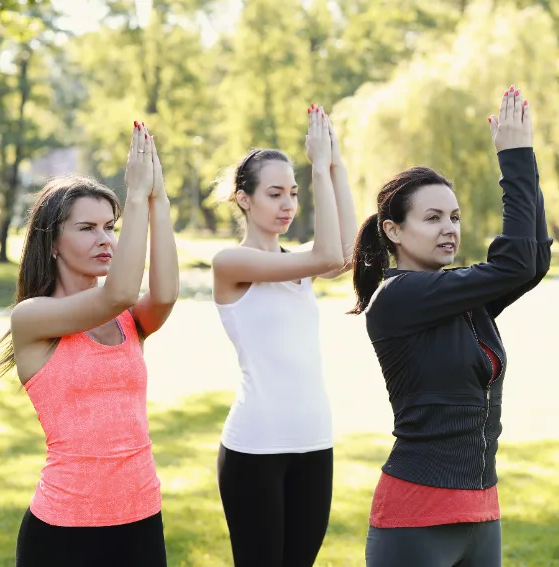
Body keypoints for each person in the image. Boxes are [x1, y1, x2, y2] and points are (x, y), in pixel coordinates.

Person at [350, 85, 552, 567]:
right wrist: (514, 162)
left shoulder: (461, 298)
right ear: (394, 230)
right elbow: (513, 266)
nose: (450, 228)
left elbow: (534, 258)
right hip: (417, 516)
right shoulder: (399, 296)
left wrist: (526, 160)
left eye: (455, 217)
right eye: (434, 217)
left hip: (481, 511)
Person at [0, 122, 180, 567]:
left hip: (141, 518)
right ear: (53, 242)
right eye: (87, 228)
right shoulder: (33, 318)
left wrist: (157, 199)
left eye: (110, 227)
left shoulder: (127, 318)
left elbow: (167, 293)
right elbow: (114, 292)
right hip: (64, 532)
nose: (105, 239)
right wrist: (133, 196)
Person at [211, 104, 357, 567]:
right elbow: (329, 253)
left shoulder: (300, 263)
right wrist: (317, 165)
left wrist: (334, 163)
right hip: (256, 447)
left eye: (293, 193)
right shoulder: (231, 264)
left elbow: (347, 252)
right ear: (243, 198)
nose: (289, 204)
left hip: (315, 441)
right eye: (275, 193)